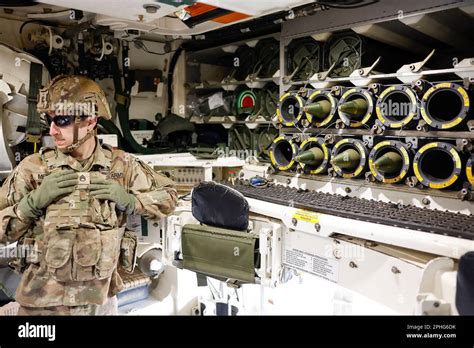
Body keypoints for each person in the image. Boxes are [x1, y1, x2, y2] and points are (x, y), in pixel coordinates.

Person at [0, 75, 178, 315]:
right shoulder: (34, 169)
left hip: (100, 304)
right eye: (49, 120)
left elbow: (169, 197)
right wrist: (31, 204)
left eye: (61, 120)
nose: (53, 130)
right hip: (41, 306)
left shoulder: (121, 167)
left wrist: (131, 201)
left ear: (90, 121)